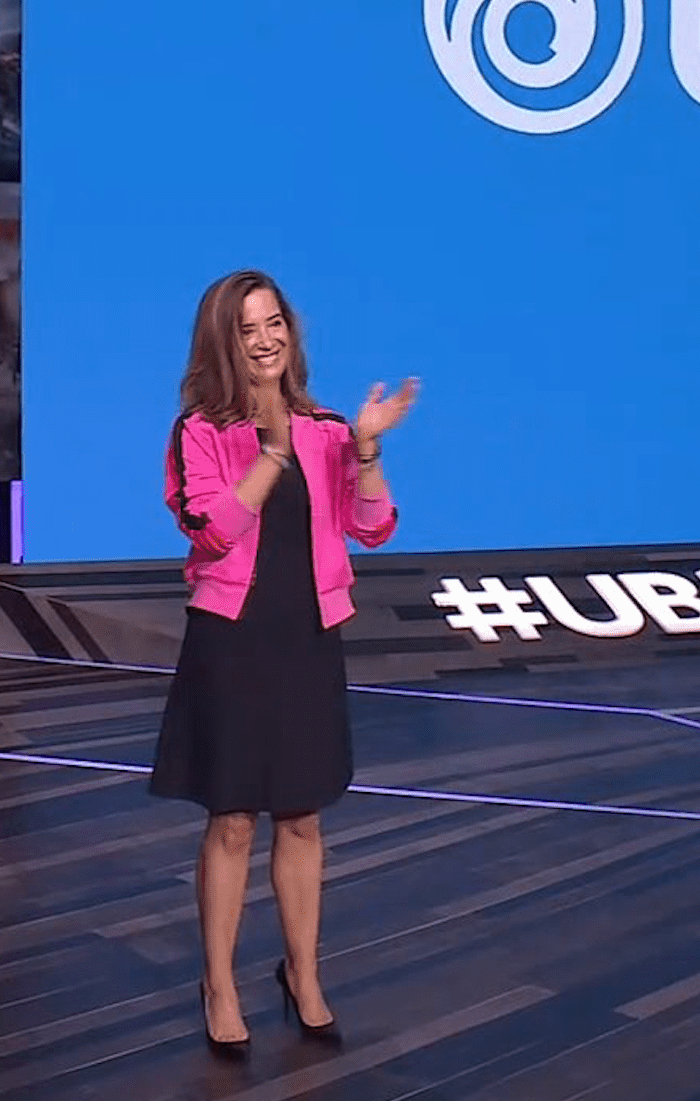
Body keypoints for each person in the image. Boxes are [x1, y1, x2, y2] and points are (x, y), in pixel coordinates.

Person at [151, 269, 418, 1056]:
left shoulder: (328, 428)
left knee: (301, 816)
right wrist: (269, 454)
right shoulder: (199, 430)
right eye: (248, 329)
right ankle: (219, 984)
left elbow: (373, 527)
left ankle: (302, 973)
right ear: (223, 343)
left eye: (275, 323)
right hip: (232, 640)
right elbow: (211, 529)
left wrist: (366, 450)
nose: (266, 339)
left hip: (307, 636)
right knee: (233, 819)